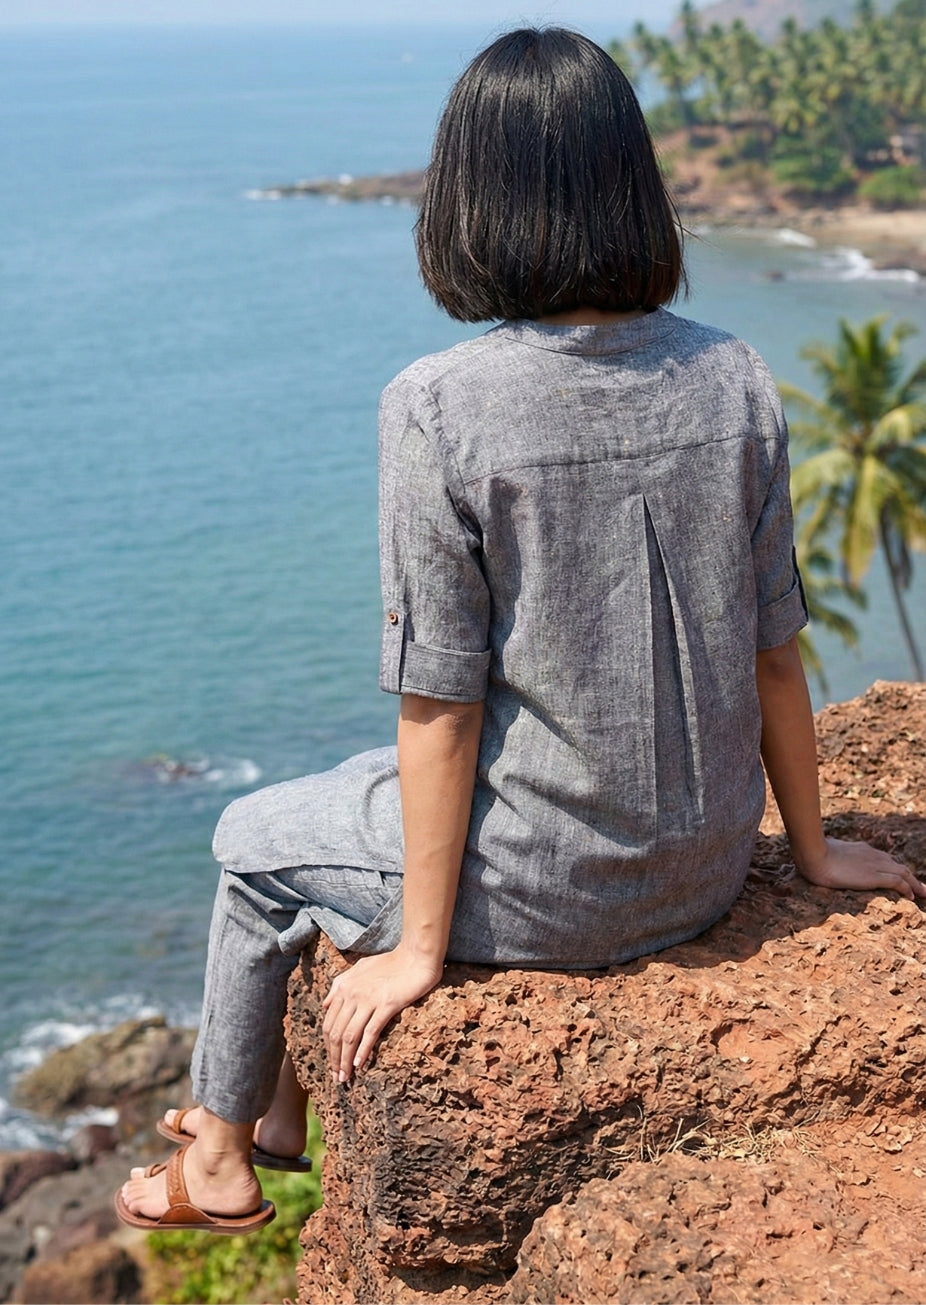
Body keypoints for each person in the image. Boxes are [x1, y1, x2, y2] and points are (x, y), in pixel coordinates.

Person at [116, 27, 925, 1235]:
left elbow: (440, 703)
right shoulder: (736, 377)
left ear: (469, 201)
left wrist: (420, 953)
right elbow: (772, 647)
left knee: (252, 840)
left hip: (552, 900)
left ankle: (223, 1160)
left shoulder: (439, 406)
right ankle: (283, 1117)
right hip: (702, 865)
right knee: (348, 785)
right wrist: (805, 855)